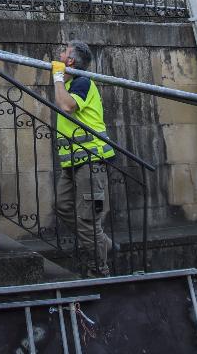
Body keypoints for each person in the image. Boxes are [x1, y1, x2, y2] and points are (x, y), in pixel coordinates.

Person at [51, 40, 116, 277]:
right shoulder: (73, 83)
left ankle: (100, 270)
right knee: (63, 207)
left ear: (70, 61)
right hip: (73, 163)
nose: (58, 55)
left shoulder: (82, 82)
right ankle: (104, 245)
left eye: (63, 53)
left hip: (91, 161)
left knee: (88, 220)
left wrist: (58, 78)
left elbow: (67, 106)